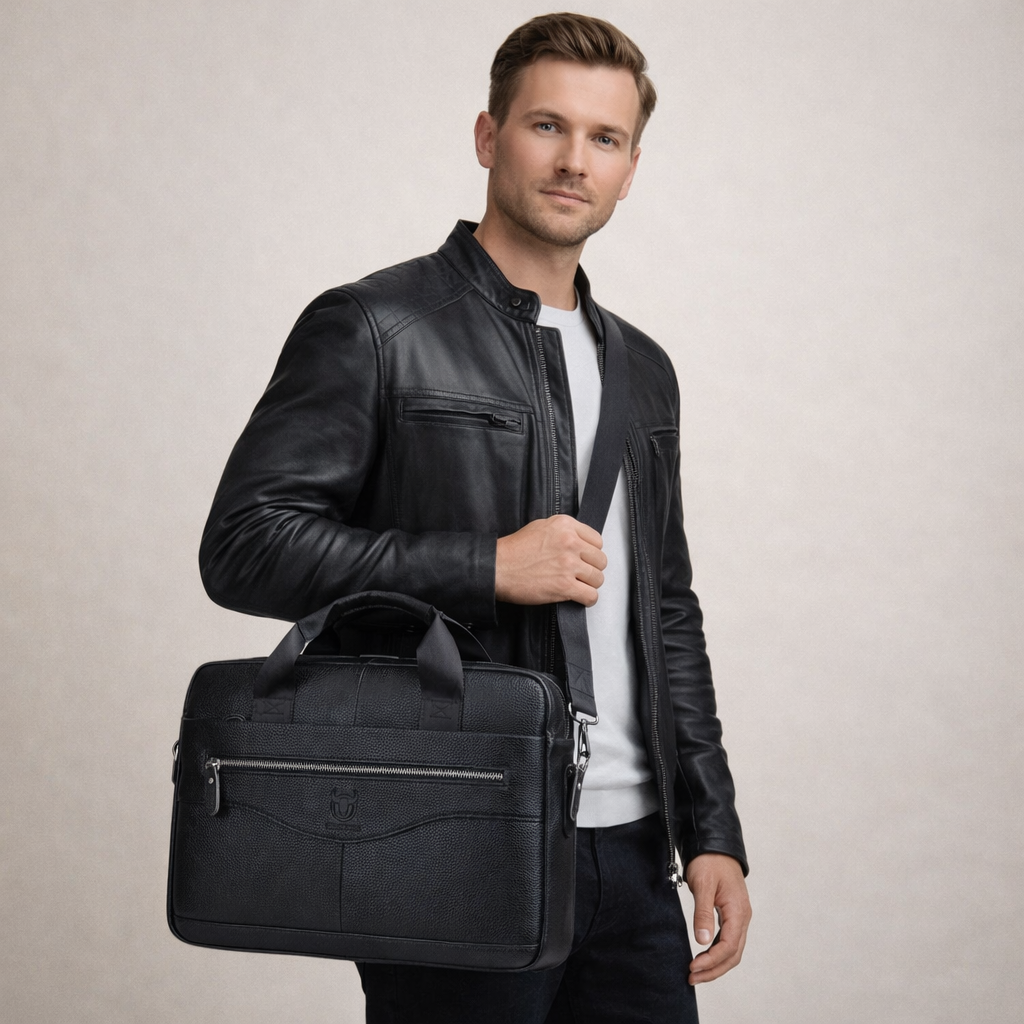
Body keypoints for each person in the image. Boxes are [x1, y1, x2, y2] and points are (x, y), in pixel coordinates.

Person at [199, 12, 750, 1023]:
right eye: (547, 126)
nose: (574, 160)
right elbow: (244, 546)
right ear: (488, 135)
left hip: (633, 856)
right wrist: (485, 565)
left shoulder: (644, 371)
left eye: (605, 139)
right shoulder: (376, 327)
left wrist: (711, 828)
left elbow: (664, 606)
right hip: (455, 828)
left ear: (630, 169)